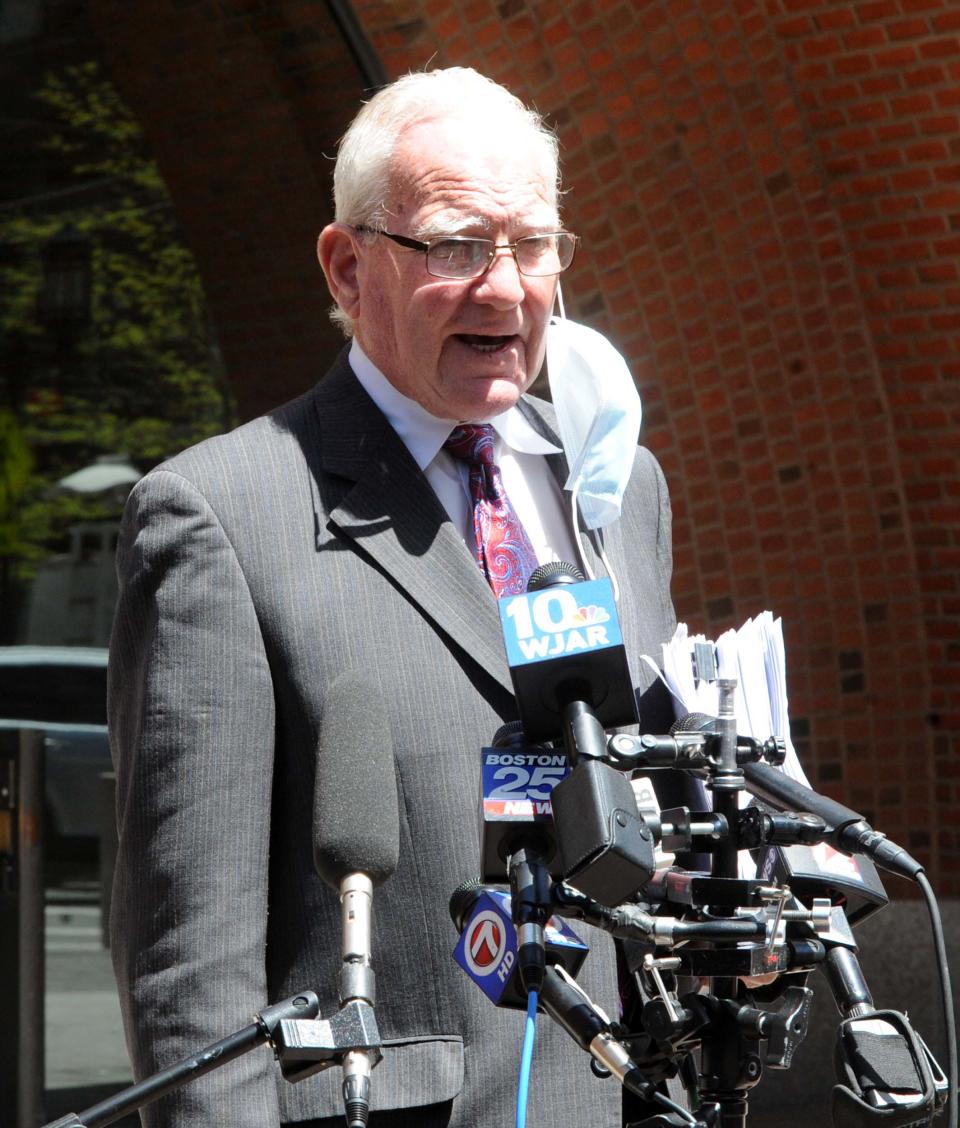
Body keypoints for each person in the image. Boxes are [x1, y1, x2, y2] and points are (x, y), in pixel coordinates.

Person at [108, 66, 680, 1128]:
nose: (507, 289)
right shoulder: (219, 514)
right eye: (458, 245)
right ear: (348, 265)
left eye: (535, 244)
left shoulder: (613, 486)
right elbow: (193, 972)